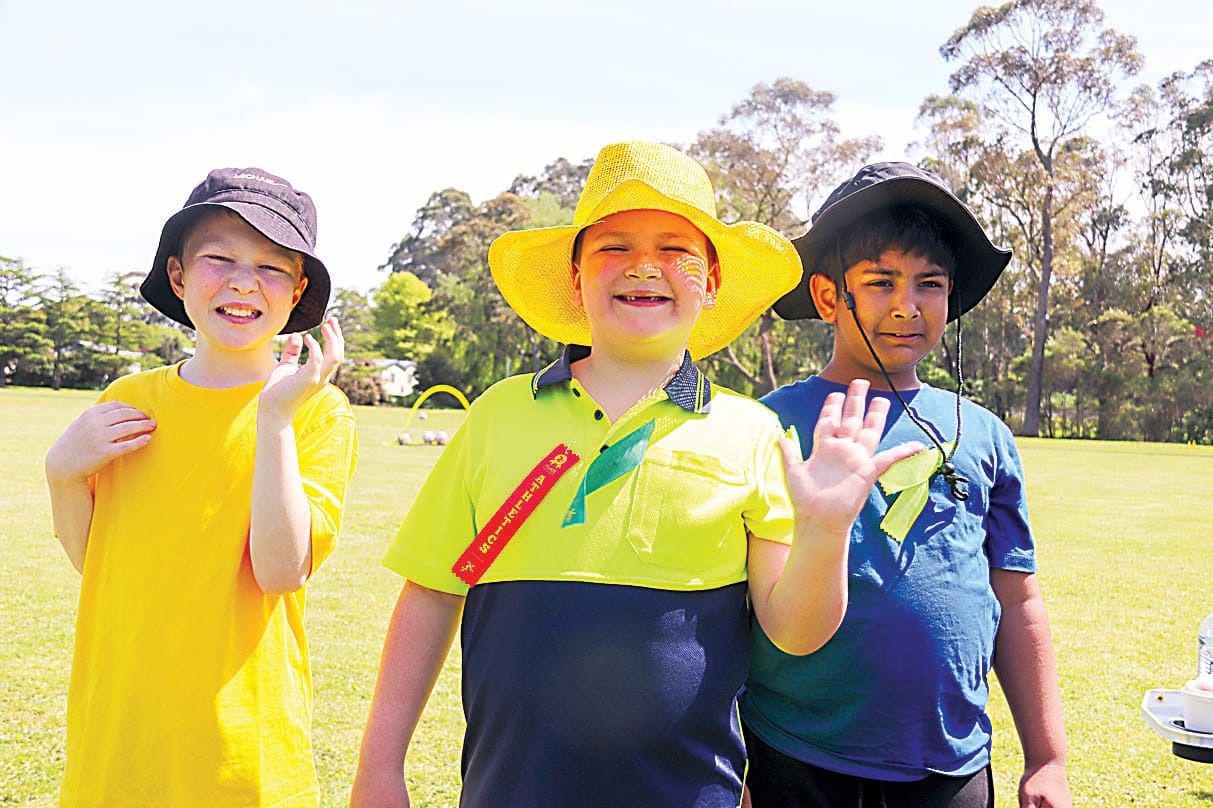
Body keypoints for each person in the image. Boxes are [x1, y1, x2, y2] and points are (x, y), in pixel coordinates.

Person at [349, 141, 922, 808]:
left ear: (710, 283)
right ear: (575, 279)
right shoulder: (497, 416)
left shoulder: (751, 432)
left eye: (675, 248)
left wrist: (824, 533)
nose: (644, 266)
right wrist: (378, 767)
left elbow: (794, 632)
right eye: (613, 247)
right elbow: (430, 594)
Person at [741, 162, 1070, 808]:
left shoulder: (981, 434)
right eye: (880, 282)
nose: (906, 305)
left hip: (947, 763)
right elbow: (727, 608)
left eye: (929, 284)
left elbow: (1016, 597)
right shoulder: (766, 425)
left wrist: (1046, 757)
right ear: (830, 297)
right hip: (796, 754)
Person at [44, 167, 358, 807]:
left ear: (298, 291)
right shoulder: (128, 403)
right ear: (179, 276)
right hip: (119, 742)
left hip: (243, 753)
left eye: (272, 267)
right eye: (220, 258)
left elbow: (278, 571)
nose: (244, 282)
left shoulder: (316, 413)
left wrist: (274, 421)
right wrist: (62, 472)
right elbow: (100, 564)